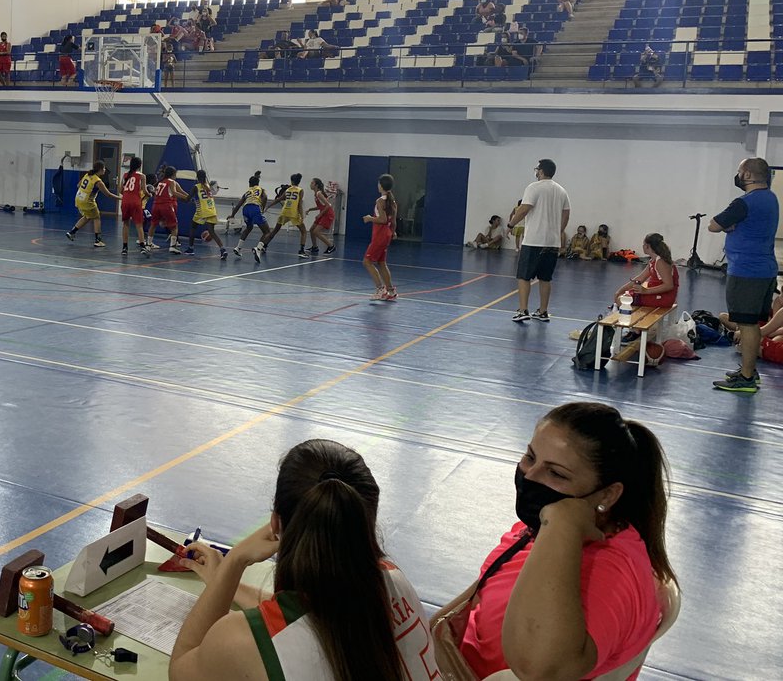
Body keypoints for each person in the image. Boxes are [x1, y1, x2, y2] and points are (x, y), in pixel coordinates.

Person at [433, 402, 676, 681]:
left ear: (607, 495)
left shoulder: (611, 574)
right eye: (530, 456)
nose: (531, 475)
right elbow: (479, 598)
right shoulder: (537, 531)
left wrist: (563, 522)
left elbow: (539, 670)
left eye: (556, 473)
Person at [170, 439, 437, 681]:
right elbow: (306, 616)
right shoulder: (393, 578)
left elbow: (180, 670)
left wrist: (234, 562)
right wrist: (226, 585)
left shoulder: (239, 642)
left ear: (275, 523)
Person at [708, 157, 780, 392]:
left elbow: (714, 225)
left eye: (740, 172)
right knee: (752, 323)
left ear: (748, 175)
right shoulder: (771, 198)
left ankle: (747, 378)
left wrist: (728, 226)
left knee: (747, 325)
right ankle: (750, 370)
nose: (738, 176)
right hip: (765, 270)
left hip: (747, 272)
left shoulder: (744, 202)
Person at [508, 158, 571, 322]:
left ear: (541, 171)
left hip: (534, 241)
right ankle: (543, 311)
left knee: (524, 276)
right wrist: (558, 232)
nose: (536, 172)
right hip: (552, 242)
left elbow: (524, 209)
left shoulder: (533, 187)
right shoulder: (561, 190)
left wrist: (511, 224)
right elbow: (566, 214)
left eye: (537, 169)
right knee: (545, 278)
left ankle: (523, 311)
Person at [614, 233, 679, 308]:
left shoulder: (660, 262)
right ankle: (632, 314)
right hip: (658, 295)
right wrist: (619, 291)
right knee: (623, 296)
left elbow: (669, 285)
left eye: (643, 244)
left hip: (663, 298)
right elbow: (640, 278)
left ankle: (633, 316)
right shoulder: (653, 261)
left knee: (622, 300)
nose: (642, 246)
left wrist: (646, 291)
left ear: (647, 246)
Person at [362, 174, 398, 303]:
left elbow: (382, 220)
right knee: (382, 263)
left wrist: (369, 218)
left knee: (367, 261)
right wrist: (393, 232)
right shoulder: (392, 201)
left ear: (381, 185)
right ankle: (391, 291)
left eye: (378, 183)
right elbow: (393, 221)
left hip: (380, 234)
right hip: (387, 234)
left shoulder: (380, 200)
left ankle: (380, 289)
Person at [66, 161, 119, 247]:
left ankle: (72, 232)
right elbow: (108, 194)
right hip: (87, 201)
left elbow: (78, 185)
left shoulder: (87, 175)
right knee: (96, 217)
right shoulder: (98, 181)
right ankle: (98, 240)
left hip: (78, 198)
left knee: (87, 216)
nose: (105, 170)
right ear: (101, 170)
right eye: (104, 168)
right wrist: (120, 198)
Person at [260, 173, 309, 258]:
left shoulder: (288, 189)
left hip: (284, 211)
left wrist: (268, 206)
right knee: (304, 231)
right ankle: (301, 251)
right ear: (299, 181)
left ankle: (264, 246)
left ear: (291, 181)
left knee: (275, 230)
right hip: (293, 212)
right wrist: (301, 215)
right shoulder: (300, 190)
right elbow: (299, 204)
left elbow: (279, 199)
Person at [228, 171, 272, 263]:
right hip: (255, 208)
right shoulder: (260, 189)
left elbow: (239, 204)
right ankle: (258, 249)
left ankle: (238, 248)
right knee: (267, 231)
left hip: (246, 209)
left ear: (249, 184)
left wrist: (232, 215)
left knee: (248, 228)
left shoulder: (247, 192)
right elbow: (265, 198)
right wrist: (262, 208)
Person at [148, 165, 191, 254]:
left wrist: (188, 196)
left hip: (156, 205)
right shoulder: (171, 182)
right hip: (166, 205)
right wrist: (187, 198)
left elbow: (180, 191)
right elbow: (175, 192)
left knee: (153, 225)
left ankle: (148, 244)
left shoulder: (161, 182)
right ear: (173, 174)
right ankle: (173, 246)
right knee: (174, 226)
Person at [185, 170, 227, 260]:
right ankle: (223, 249)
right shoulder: (208, 186)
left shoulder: (196, 187)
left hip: (202, 211)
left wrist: (177, 197)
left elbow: (187, 199)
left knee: (193, 227)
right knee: (212, 232)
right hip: (212, 210)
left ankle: (190, 249)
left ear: (197, 177)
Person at [119, 156, 152, 256]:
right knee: (139, 225)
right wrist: (150, 194)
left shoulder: (125, 175)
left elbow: (121, 190)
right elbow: (145, 190)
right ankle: (142, 246)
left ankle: (124, 248)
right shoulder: (142, 176)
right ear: (140, 165)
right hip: (135, 202)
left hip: (125, 201)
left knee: (125, 224)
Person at [306, 178, 336, 255]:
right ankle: (315, 247)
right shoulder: (316, 194)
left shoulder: (319, 193)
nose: (310, 184)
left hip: (328, 214)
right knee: (312, 229)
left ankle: (331, 246)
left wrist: (320, 214)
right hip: (324, 213)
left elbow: (328, 205)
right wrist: (310, 209)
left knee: (316, 231)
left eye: (312, 183)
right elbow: (320, 206)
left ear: (316, 185)